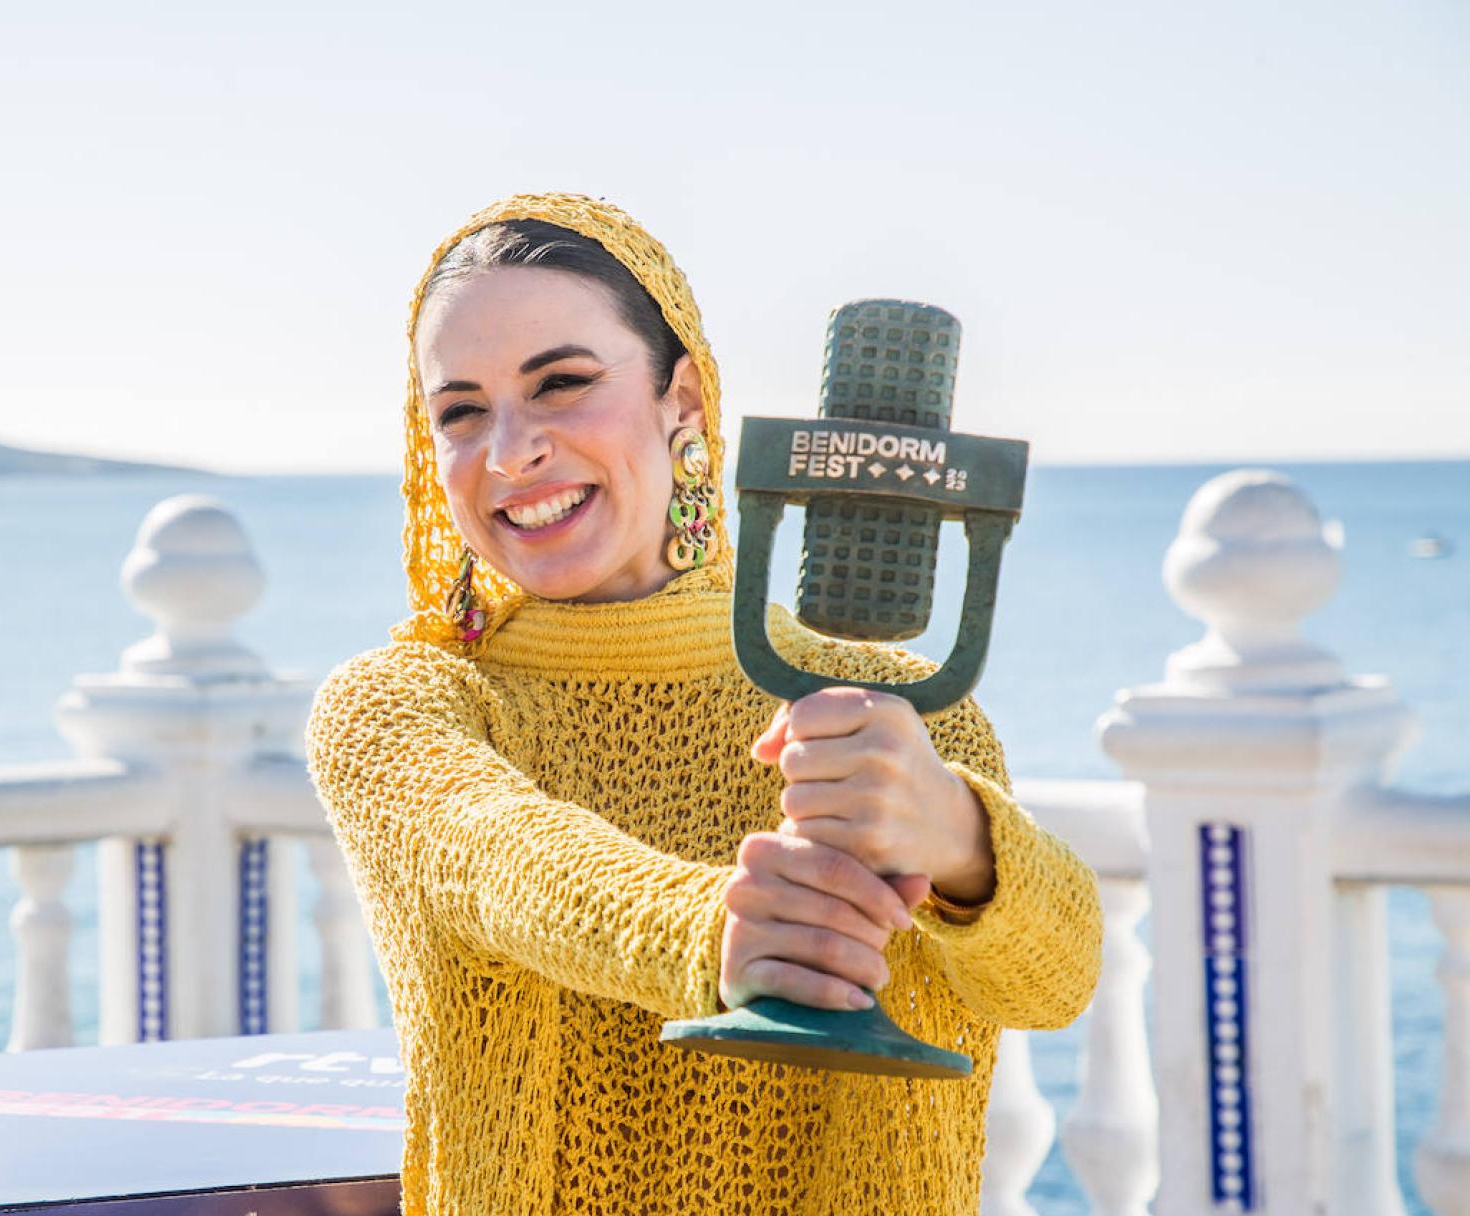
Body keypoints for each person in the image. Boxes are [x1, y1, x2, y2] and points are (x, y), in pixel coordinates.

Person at [305, 192, 1101, 1214]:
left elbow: (1055, 978)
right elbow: (497, 853)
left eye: (562, 384)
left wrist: (963, 838)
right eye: (461, 410)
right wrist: (710, 932)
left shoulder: (891, 708)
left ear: (681, 399)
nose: (509, 452)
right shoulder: (401, 700)